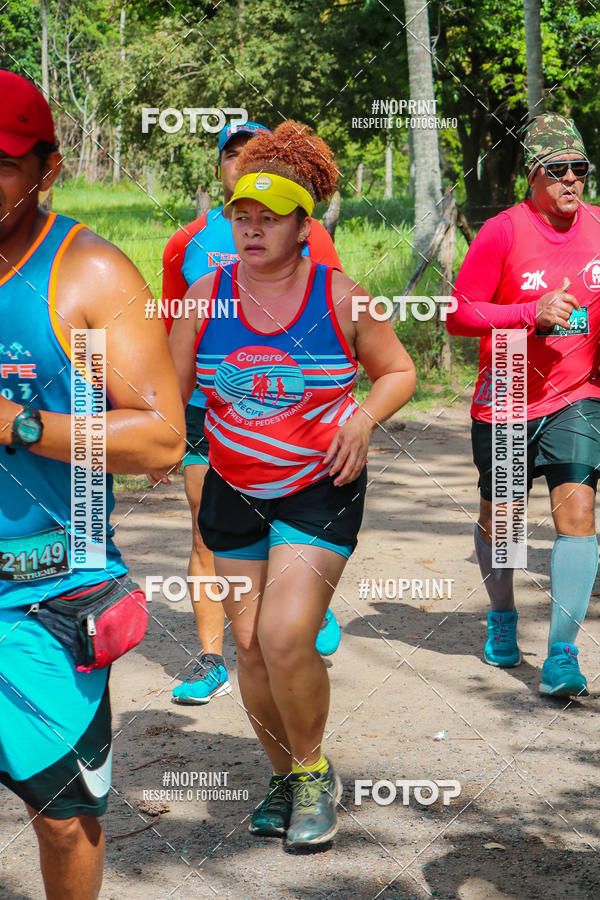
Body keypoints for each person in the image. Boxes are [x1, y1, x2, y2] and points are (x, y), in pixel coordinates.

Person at [168, 121, 416, 846]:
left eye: (268, 219)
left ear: (303, 226)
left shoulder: (339, 297)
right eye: (241, 217)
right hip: (234, 485)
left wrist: (364, 420)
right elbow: (166, 391)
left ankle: (313, 774)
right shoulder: (202, 298)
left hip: (318, 484)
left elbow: (400, 372)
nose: (251, 230)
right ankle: (281, 777)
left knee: (283, 635)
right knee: (246, 645)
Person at [0, 70, 185, 899]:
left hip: (46, 591)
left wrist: (20, 426)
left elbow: (161, 437)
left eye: (0, 162)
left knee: (65, 815)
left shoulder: (93, 277)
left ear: (47, 167)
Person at [160, 121, 344, 706]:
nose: (239, 162)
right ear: (220, 168)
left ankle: (300, 612)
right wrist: (159, 422)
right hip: (203, 410)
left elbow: (334, 315)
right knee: (203, 530)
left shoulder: (306, 235)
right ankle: (214, 658)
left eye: (250, 152)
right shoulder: (187, 242)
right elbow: (172, 330)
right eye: (230, 154)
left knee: (281, 598)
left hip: (291, 421)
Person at [447, 113, 600, 697]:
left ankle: (563, 651)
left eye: (579, 169)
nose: (571, 181)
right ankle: (503, 614)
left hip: (577, 394)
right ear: (533, 176)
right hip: (508, 391)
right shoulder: (504, 232)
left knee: (578, 516)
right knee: (504, 523)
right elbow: (460, 314)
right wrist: (528, 315)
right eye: (557, 170)